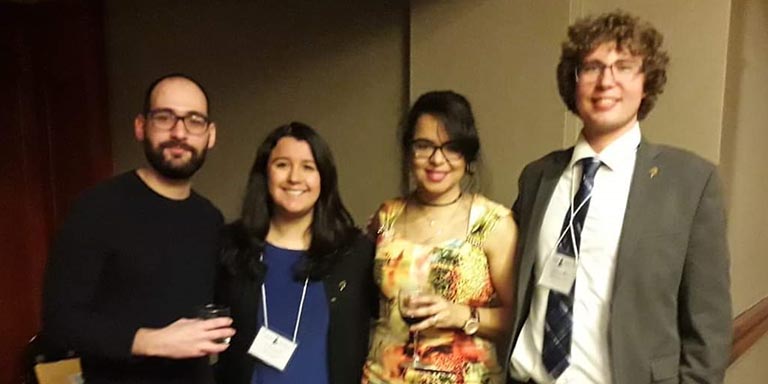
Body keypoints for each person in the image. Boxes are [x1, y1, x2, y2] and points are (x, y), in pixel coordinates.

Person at [506, 11, 731, 384]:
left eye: (624, 66)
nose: (606, 81)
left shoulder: (690, 182)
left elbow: (709, 329)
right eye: (592, 67)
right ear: (573, 81)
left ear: (647, 82)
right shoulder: (538, 177)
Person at [42, 73, 235, 384]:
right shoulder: (97, 208)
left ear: (210, 135)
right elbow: (60, 323)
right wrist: (151, 341)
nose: (179, 132)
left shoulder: (210, 218)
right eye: (165, 117)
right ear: (140, 127)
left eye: (194, 121)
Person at [363, 91, 517, 383]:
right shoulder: (387, 216)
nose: (437, 159)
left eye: (451, 148)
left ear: (467, 156)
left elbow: (518, 318)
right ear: (409, 152)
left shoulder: (494, 223)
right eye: (424, 146)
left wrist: (460, 315)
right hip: (383, 376)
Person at [215, 122, 375, 384]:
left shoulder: (354, 252)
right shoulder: (231, 245)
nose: (294, 178)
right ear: (265, 173)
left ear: (323, 177)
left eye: (308, 167)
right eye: (282, 165)